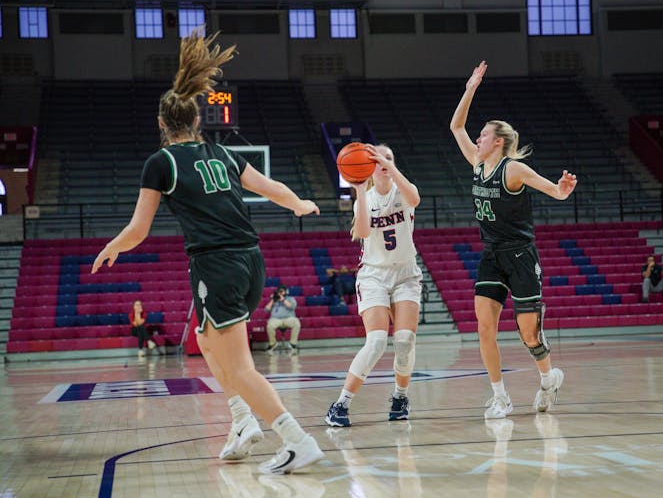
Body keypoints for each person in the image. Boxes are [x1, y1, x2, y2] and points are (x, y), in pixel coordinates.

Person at [91, 29, 323, 475]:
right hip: (251, 262)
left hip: (216, 265)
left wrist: (112, 246)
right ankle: (241, 422)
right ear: (196, 121)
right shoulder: (221, 152)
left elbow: (139, 230)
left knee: (239, 369)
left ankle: (297, 440)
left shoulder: (161, 162)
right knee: (203, 337)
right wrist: (298, 203)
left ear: (162, 124)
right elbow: (269, 188)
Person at [449, 61, 577, 418]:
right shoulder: (477, 162)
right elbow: (455, 125)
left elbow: (553, 190)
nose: (478, 138)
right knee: (484, 328)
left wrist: (562, 190)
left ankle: (549, 378)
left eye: (484, 135)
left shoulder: (514, 169)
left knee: (529, 335)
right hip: (491, 255)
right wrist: (470, 87)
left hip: (521, 255)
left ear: (499, 141)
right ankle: (500, 396)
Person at [325, 144, 422, 427]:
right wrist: (357, 188)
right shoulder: (363, 199)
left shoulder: (403, 191)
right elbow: (364, 231)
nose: (382, 162)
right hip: (374, 275)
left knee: (404, 341)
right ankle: (340, 404)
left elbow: (414, 198)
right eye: (377, 159)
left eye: (388, 157)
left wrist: (388, 164)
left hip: (405, 273)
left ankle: (400, 397)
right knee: (377, 341)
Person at [265, 284, 301, 355]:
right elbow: (266, 310)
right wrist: (272, 300)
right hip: (276, 319)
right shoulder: (274, 300)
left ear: (286, 292)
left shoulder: (290, 299)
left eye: (282, 291)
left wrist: (283, 300)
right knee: (270, 325)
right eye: (279, 291)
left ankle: (292, 343)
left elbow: (292, 306)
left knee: (296, 322)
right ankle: (273, 343)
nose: (280, 293)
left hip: (288, 319)